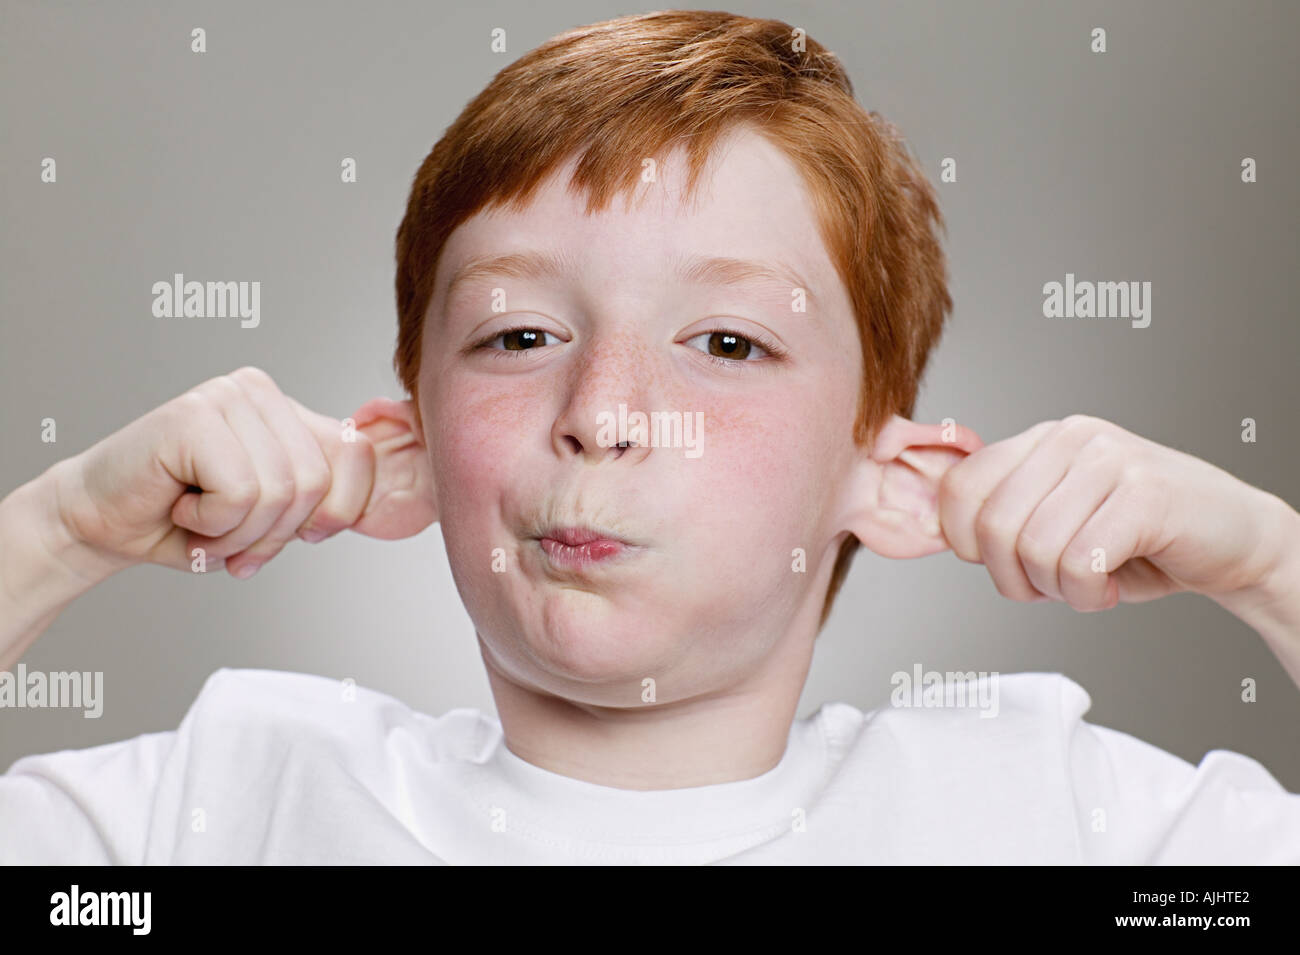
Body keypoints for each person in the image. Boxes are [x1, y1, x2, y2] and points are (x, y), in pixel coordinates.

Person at [2, 10, 1297, 864]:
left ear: (893, 480)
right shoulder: (202, 823)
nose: (603, 415)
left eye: (728, 343)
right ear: (405, 452)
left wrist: (1266, 560)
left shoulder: (1074, 829)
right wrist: (57, 531)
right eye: (518, 337)